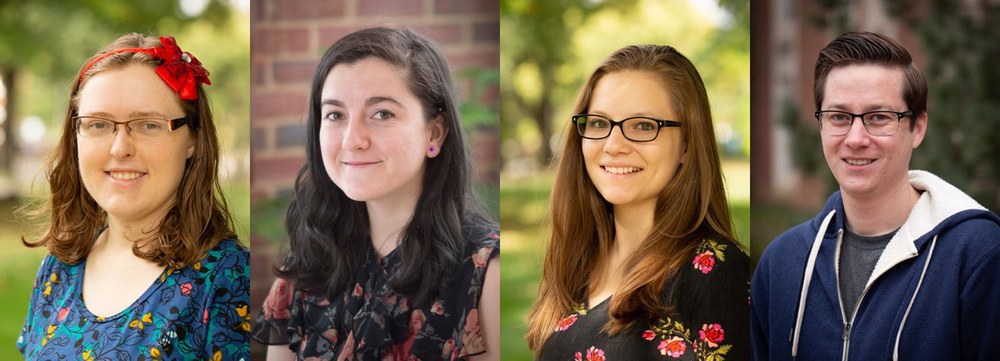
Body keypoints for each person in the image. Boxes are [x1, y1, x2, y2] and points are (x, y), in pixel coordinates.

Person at [251, 27, 500, 361]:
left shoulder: (485, 274)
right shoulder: (305, 265)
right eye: (335, 115)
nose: (353, 139)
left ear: (435, 132)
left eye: (382, 113)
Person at [750, 31, 1000, 360]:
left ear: (918, 128)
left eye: (879, 117)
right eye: (839, 117)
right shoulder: (782, 263)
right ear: (821, 126)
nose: (855, 138)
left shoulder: (979, 254)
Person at [16, 33, 250, 359]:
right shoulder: (58, 269)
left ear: (193, 139)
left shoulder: (230, 280)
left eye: (148, 125)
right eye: (99, 124)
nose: (120, 148)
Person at [526, 45, 750, 360]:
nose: (613, 145)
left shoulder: (714, 271)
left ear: (687, 145)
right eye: (599, 123)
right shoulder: (579, 261)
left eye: (643, 126)